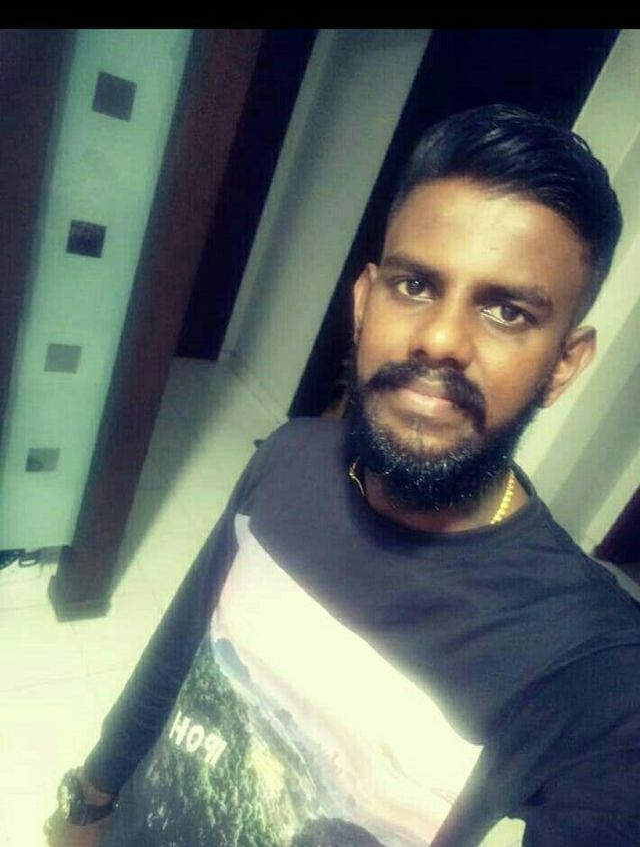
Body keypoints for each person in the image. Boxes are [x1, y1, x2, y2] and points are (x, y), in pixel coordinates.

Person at [45, 104, 640, 846]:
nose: (441, 339)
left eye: (508, 312)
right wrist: (90, 799)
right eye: (415, 286)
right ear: (364, 302)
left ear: (564, 364)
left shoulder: (596, 665)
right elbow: (179, 651)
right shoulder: (288, 457)